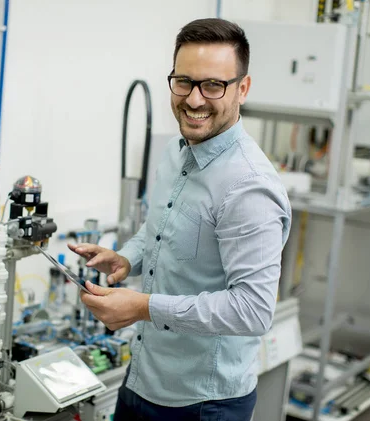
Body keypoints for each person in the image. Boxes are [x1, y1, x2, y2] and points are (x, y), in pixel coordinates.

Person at [68, 17, 291, 421]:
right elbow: (160, 230)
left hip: (202, 402)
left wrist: (143, 307)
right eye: (184, 82)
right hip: (143, 377)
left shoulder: (248, 187)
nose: (193, 99)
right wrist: (127, 258)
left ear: (243, 88)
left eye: (213, 85)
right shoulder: (176, 151)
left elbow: (253, 310)